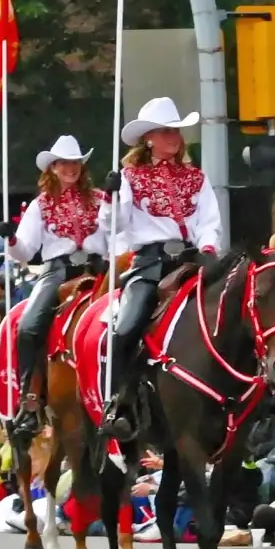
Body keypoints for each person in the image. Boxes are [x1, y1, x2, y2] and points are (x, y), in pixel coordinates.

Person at [99, 97, 221, 441]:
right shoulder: (129, 176)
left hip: (193, 257)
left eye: (177, 132)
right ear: (149, 137)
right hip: (150, 262)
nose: (175, 138)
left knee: (232, 306)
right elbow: (115, 223)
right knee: (126, 327)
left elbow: (210, 220)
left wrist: (209, 247)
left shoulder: (196, 177)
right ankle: (121, 401)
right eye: (167, 131)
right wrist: (111, 196)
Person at [0, 135, 108, 438]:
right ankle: (30, 399)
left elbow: (116, 234)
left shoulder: (101, 199)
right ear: (53, 167)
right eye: (64, 163)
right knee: (29, 327)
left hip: (98, 269)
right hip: (58, 272)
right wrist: (11, 240)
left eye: (76, 162)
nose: (71, 167)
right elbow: (25, 251)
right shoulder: (40, 205)